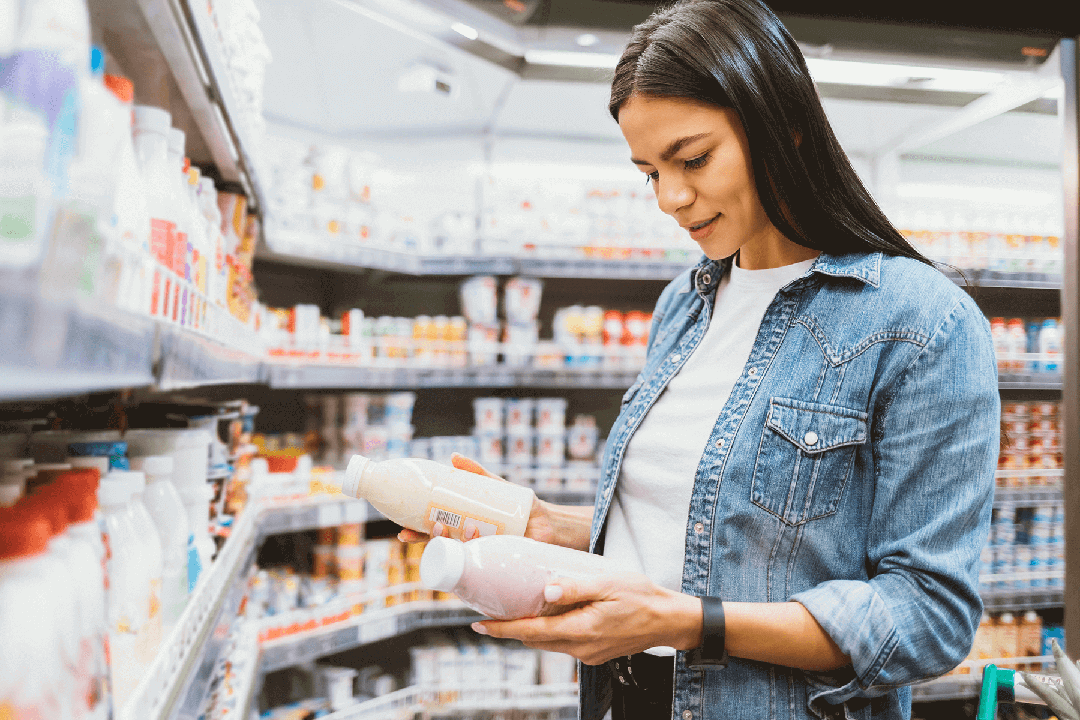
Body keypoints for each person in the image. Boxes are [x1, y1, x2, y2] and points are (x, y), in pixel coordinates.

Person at [403, 1, 999, 718]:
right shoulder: (682, 307)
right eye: (649, 172)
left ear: (787, 129)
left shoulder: (922, 323)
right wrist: (548, 526)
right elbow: (706, 524)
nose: (672, 199)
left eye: (692, 159)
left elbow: (928, 616)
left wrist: (688, 623)